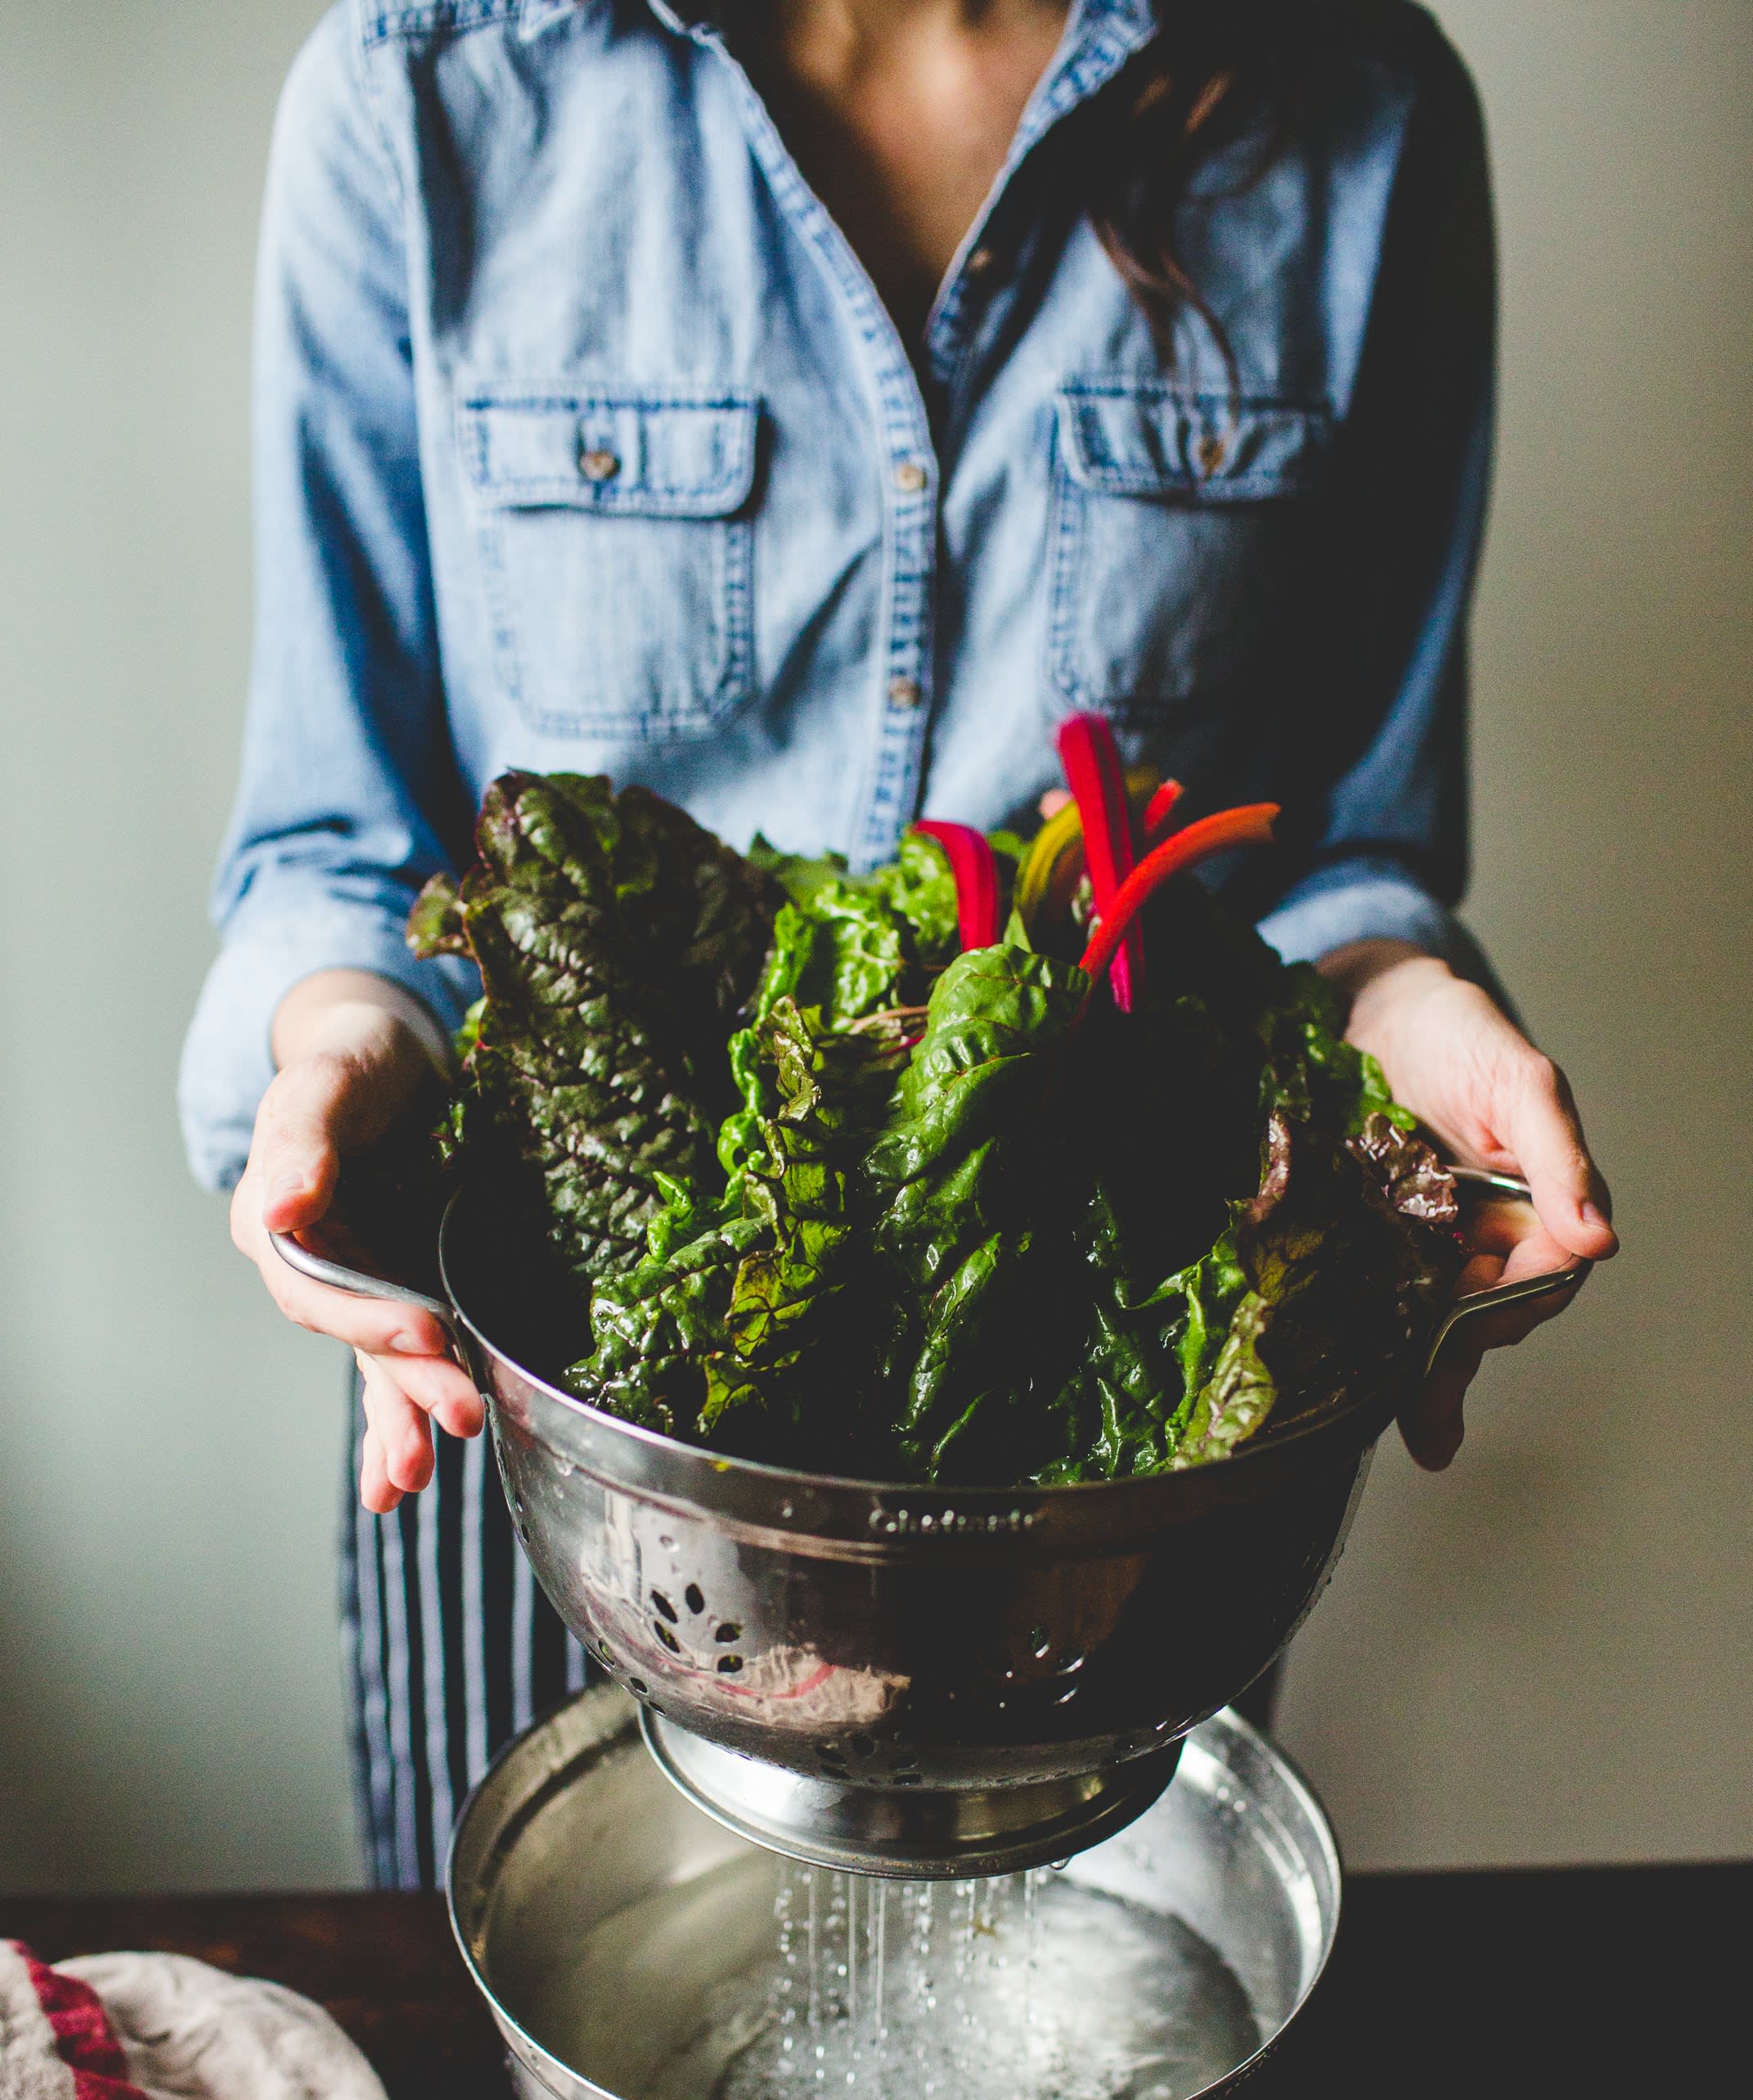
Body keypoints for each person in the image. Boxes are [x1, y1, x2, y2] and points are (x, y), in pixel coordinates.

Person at [182, 0, 1616, 1889]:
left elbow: (1341, 850)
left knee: (1073, 2080)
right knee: (521, 2081)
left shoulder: (1360, 105)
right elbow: (342, 838)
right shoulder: (432, 84)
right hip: (559, 1386)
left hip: (1096, 1422)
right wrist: (343, 1041)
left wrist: (1417, 1012)